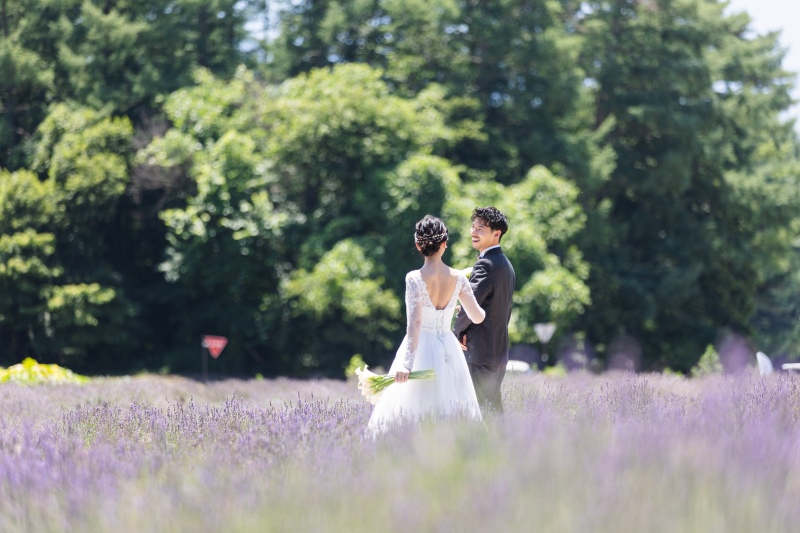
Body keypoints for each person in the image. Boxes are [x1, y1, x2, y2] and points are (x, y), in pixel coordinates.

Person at [366, 215, 486, 435]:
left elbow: (415, 324)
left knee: (414, 412)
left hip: (420, 350)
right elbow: (477, 317)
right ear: (445, 244)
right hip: (449, 349)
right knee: (453, 411)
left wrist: (407, 365)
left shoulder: (414, 278)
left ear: (418, 245)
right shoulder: (459, 278)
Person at [453, 207, 515, 415]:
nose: (474, 232)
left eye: (481, 228)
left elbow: (470, 306)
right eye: (473, 227)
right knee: (493, 413)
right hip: (498, 353)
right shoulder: (506, 265)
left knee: (480, 414)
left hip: (479, 353)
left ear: (496, 234)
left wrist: (457, 334)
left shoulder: (485, 265)